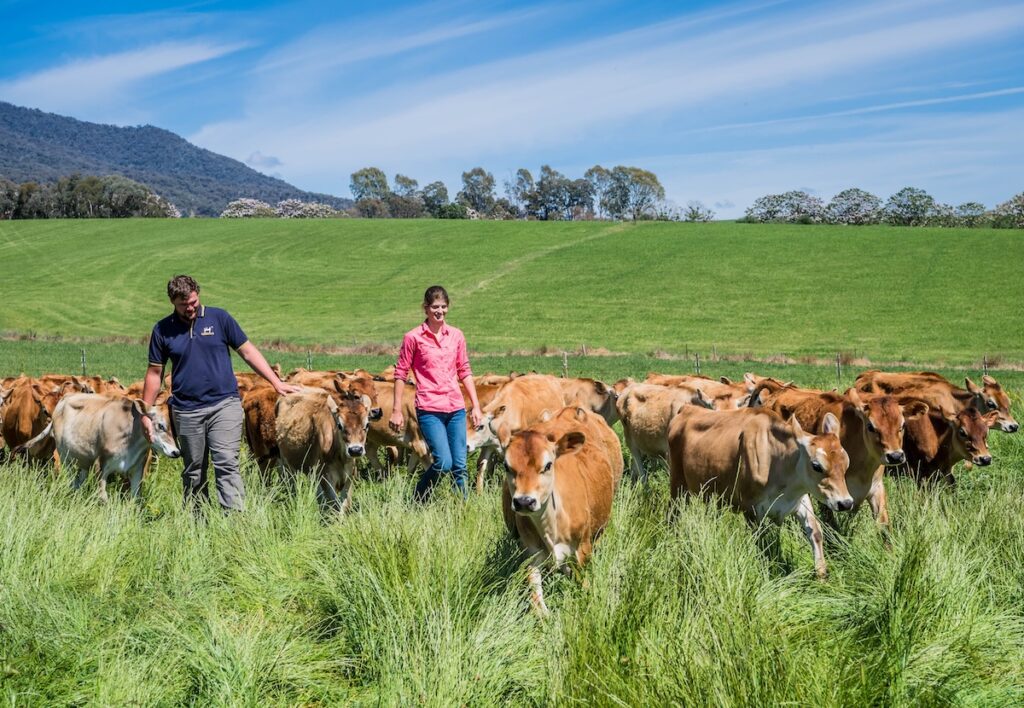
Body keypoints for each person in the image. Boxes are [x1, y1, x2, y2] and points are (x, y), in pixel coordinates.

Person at [141, 274, 299, 511]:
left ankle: (234, 522)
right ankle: (198, 522)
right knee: (194, 469)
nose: (190, 308)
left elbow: (247, 352)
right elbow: (155, 373)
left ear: (198, 294)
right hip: (186, 410)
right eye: (183, 305)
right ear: (172, 302)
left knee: (226, 463)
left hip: (224, 405)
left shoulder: (219, 318)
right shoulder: (163, 330)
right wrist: (145, 412)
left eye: (193, 302)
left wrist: (275, 382)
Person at [391, 285, 483, 501]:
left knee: (460, 465)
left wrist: (476, 406)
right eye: (434, 307)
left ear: (448, 308)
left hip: (455, 407)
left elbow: (464, 370)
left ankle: (463, 509)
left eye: (443, 306)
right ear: (426, 308)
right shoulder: (413, 337)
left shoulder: (456, 336)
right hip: (429, 408)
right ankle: (417, 498)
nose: (439, 311)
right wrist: (396, 410)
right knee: (443, 462)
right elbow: (401, 372)